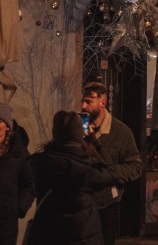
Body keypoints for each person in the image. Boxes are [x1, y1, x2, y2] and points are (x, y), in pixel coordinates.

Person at [28, 110, 121, 245]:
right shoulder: (88, 168)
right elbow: (111, 173)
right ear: (79, 134)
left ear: (55, 133)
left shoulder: (38, 162)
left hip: (48, 232)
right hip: (83, 233)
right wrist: (96, 143)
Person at [81, 81, 142, 245]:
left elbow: (135, 167)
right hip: (82, 202)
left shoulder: (121, 132)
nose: (83, 106)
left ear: (102, 102)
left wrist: (109, 175)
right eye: (83, 101)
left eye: (89, 101)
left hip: (107, 204)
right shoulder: (79, 127)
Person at [0, 103, 34, 245]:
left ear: (7, 126)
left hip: (5, 226)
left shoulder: (18, 153)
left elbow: (30, 184)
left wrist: (18, 208)